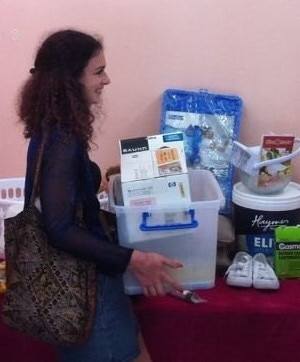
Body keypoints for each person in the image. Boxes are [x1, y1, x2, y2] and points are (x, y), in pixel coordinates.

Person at [18, 29, 183, 361]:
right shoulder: (62, 139)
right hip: (85, 289)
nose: (106, 80)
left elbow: (61, 199)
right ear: (70, 79)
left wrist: (96, 180)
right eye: (98, 71)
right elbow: (60, 228)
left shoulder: (52, 129)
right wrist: (133, 259)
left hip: (87, 285)